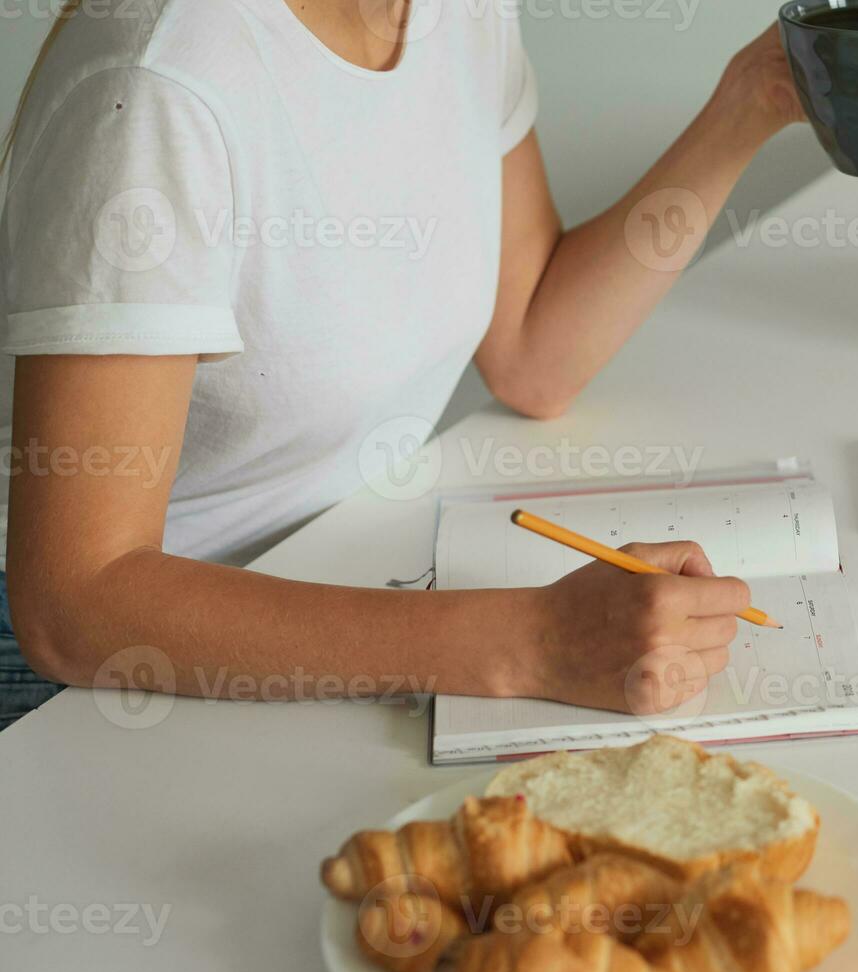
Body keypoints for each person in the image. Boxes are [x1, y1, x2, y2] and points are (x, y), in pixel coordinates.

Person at [0, 0, 805, 730]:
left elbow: (532, 351)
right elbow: (76, 600)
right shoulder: (160, 82)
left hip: (333, 587)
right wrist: (532, 641)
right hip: (95, 683)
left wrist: (753, 100)